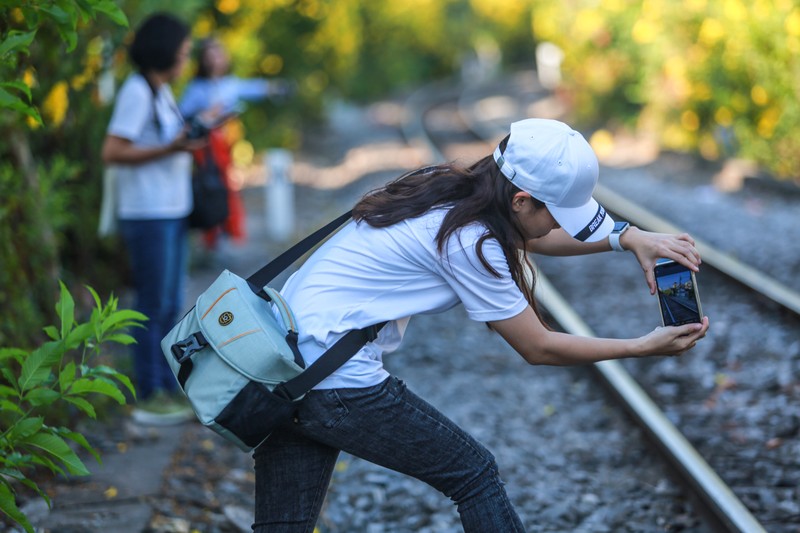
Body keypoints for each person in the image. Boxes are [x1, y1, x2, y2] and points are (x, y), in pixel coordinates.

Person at [252, 118, 710, 532]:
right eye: (556, 214)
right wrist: (641, 346)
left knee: (283, 527)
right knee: (474, 474)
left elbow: (534, 236)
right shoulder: (470, 241)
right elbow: (539, 347)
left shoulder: (456, 190)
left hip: (292, 367)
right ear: (522, 199)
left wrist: (628, 238)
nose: (556, 227)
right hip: (333, 377)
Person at [101, 13, 202, 425]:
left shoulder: (161, 91)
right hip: (147, 213)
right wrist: (169, 150)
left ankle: (164, 386)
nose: (186, 56)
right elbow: (112, 151)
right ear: (164, 50)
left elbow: (165, 142)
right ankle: (148, 393)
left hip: (171, 210)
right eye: (183, 49)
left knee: (170, 302)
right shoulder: (137, 92)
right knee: (151, 303)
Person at [179, 37, 293, 250]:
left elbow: (253, 88)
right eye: (211, 54)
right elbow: (181, 116)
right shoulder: (197, 88)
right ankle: (211, 239)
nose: (216, 59)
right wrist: (205, 117)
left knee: (228, 190)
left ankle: (230, 234)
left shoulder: (229, 83)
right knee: (211, 190)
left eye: (219, 53)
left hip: (228, 147)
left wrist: (276, 88)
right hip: (207, 151)